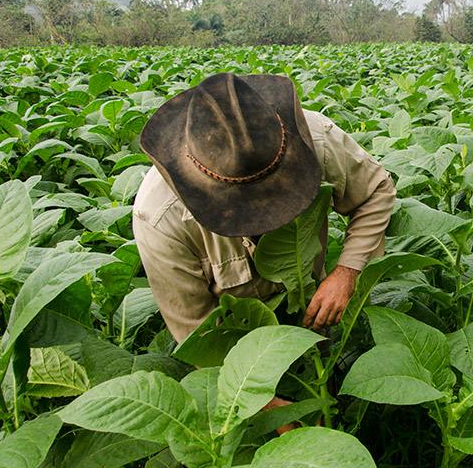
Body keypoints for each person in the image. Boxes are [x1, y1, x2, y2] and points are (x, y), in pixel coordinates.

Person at [132, 73, 396, 343]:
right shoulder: (160, 218)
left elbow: (375, 192)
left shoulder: (316, 139)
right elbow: (201, 338)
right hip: (243, 345)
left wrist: (347, 272)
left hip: (319, 318)